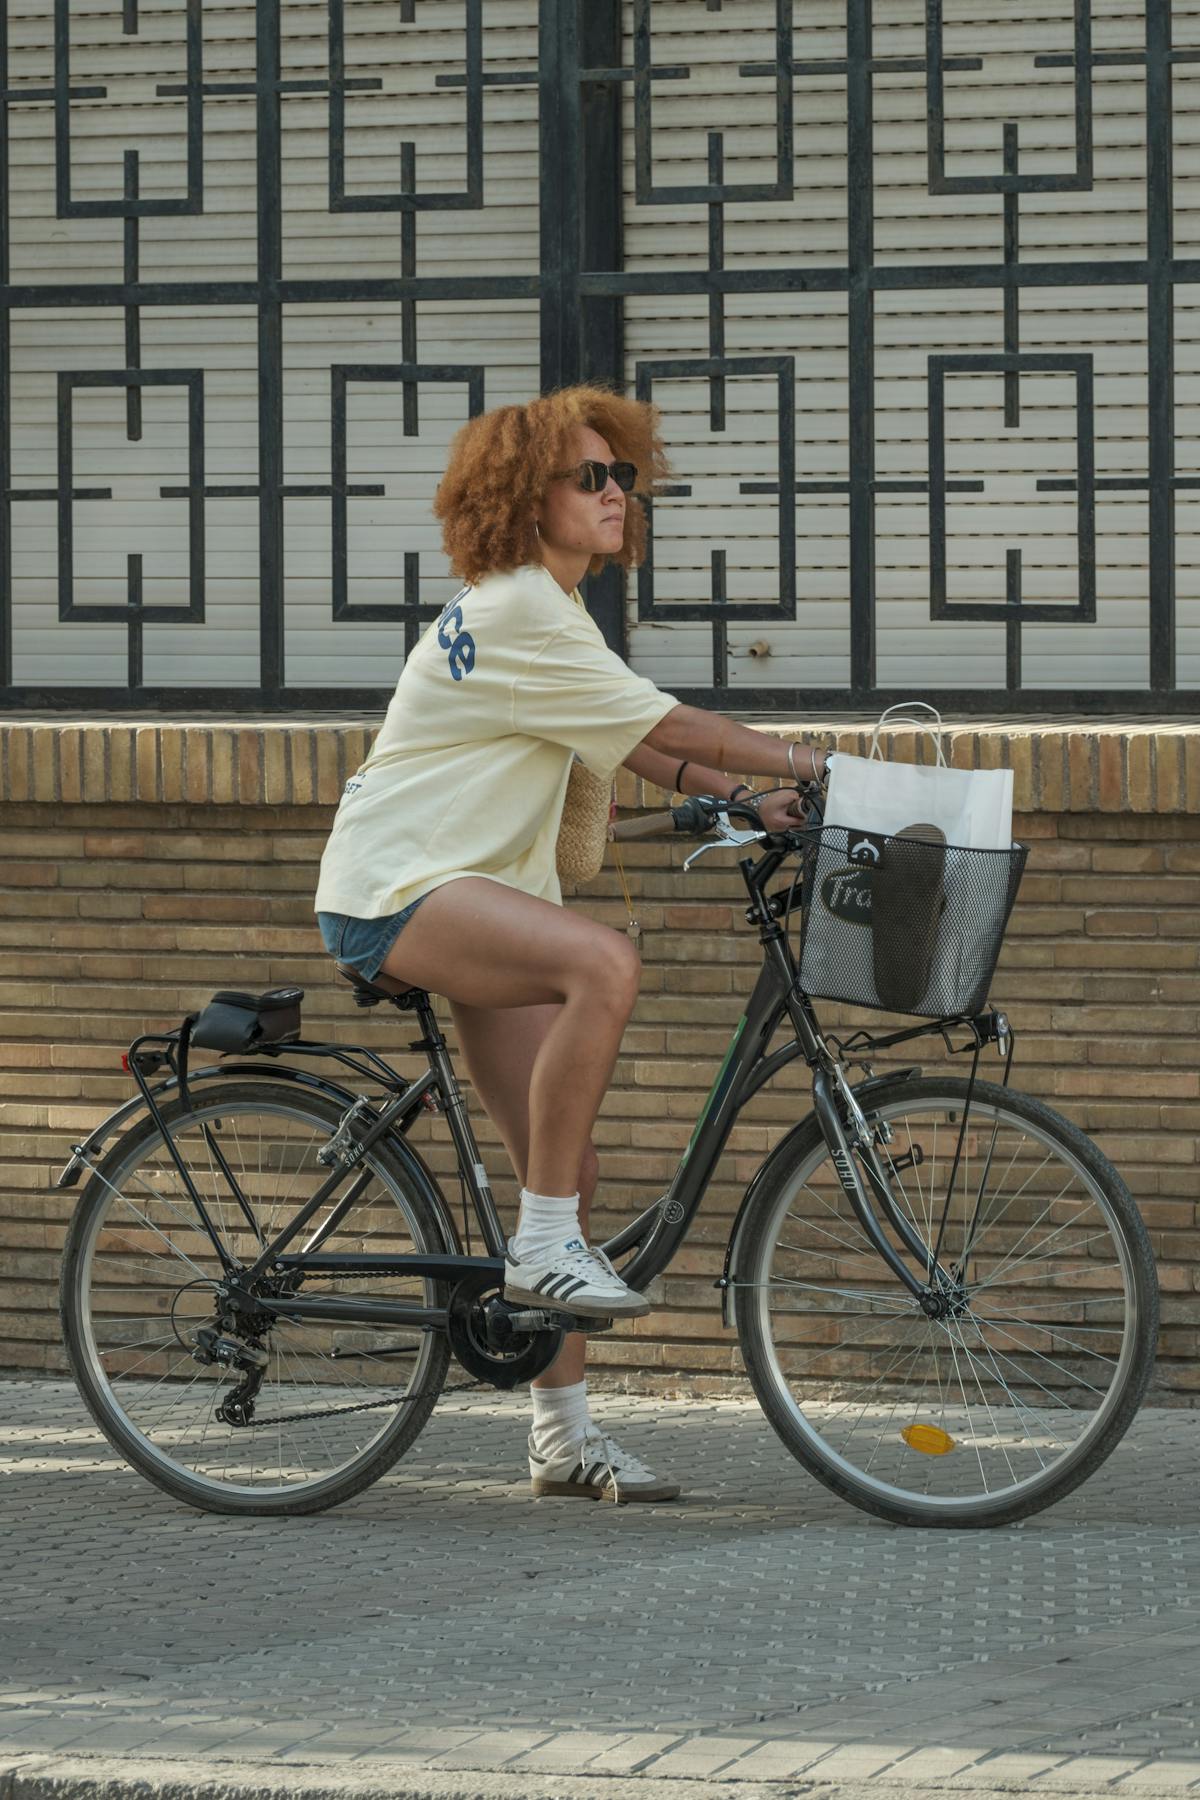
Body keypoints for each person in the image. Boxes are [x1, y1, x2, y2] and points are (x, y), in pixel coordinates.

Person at [314, 384, 829, 1504]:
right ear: (523, 496)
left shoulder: (544, 610)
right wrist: (812, 762)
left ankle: (562, 1439)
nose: (613, 493)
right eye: (588, 476)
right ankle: (543, 1248)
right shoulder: (520, 610)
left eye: (621, 475)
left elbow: (636, 744)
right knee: (603, 961)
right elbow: (668, 724)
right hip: (400, 890)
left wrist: (745, 800)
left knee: (570, 1169)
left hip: (464, 891)